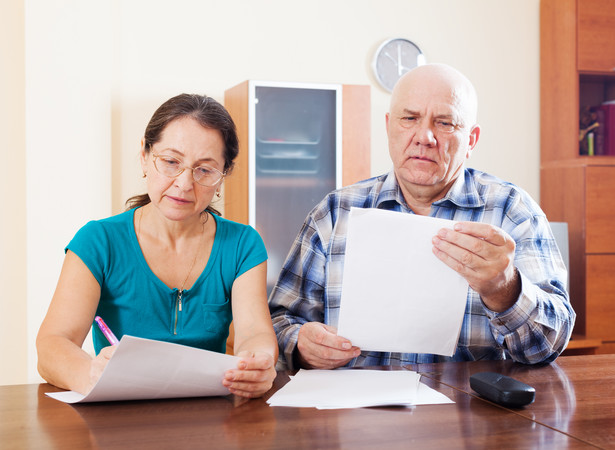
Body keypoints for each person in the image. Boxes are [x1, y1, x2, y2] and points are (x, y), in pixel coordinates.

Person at [269, 63, 575, 370]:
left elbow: (549, 346)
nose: (424, 136)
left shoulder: (511, 210)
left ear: (471, 140)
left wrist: (505, 288)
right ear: (389, 126)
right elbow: (280, 320)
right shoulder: (335, 213)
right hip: (355, 412)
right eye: (409, 118)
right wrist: (301, 344)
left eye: (445, 123)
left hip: (467, 411)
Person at [37, 94, 278, 398]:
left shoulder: (243, 245)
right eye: (171, 162)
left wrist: (258, 363)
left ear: (223, 175)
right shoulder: (98, 241)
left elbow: (254, 334)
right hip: (119, 416)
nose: (184, 183)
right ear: (144, 156)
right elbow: (53, 345)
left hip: (210, 416)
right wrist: (88, 372)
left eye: (204, 169)